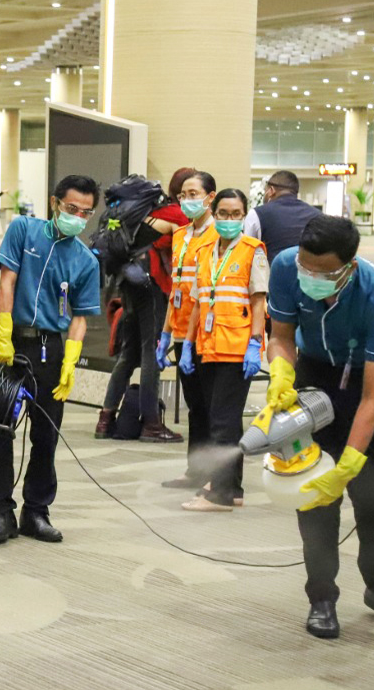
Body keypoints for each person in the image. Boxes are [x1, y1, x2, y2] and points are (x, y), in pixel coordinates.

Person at [264, 214, 374, 639]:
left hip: (370, 381)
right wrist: (280, 373)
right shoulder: (286, 266)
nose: (310, 276)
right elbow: (281, 336)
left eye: (324, 272)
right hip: (314, 375)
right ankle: (321, 597)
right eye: (305, 266)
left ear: (349, 266)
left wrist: (349, 464)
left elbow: (372, 399)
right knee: (313, 493)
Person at [0, 175, 102, 545]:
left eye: (85, 212)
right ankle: (1, 511)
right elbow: (7, 281)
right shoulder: (24, 230)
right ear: (55, 203)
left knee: (46, 435)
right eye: (71, 208)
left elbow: (80, 317)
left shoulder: (86, 261)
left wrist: (71, 361)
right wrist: (5, 332)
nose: (77, 217)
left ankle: (36, 511)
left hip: (51, 350)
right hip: (11, 342)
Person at [174, 189, 267, 512]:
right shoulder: (204, 251)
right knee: (221, 419)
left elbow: (259, 302)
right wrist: (188, 344)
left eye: (236, 214)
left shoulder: (252, 251)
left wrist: (255, 343)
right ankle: (233, 488)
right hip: (207, 346)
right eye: (224, 213)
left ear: (244, 215)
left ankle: (220, 494)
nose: (229, 219)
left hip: (237, 348)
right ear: (215, 213)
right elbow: (198, 302)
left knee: (222, 422)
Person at [94, 171, 189, 443]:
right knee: (152, 352)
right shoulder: (174, 214)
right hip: (152, 286)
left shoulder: (140, 212)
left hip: (129, 284)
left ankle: (105, 419)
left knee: (129, 353)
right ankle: (151, 424)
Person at [158, 170, 220, 485]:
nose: (186, 200)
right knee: (194, 405)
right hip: (182, 332)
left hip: (207, 335)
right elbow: (177, 288)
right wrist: (166, 333)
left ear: (210, 197)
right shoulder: (181, 235)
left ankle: (215, 476)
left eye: (193, 194)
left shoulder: (219, 235)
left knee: (210, 407)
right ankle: (195, 471)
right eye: (183, 195)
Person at [244, 170, 319, 264]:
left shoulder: (257, 213)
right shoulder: (317, 215)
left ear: (271, 190)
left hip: (271, 271)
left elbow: (246, 252)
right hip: (308, 271)